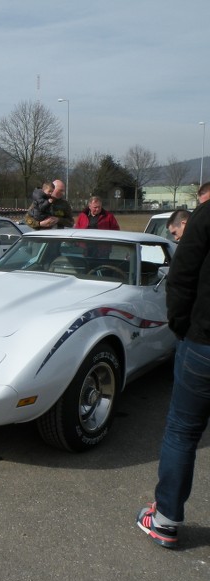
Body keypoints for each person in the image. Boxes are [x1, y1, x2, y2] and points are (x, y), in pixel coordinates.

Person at [136, 198, 210, 549]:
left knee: (182, 431)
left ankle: (165, 520)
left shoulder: (206, 216)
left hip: (204, 342)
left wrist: (181, 328)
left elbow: (181, 277)